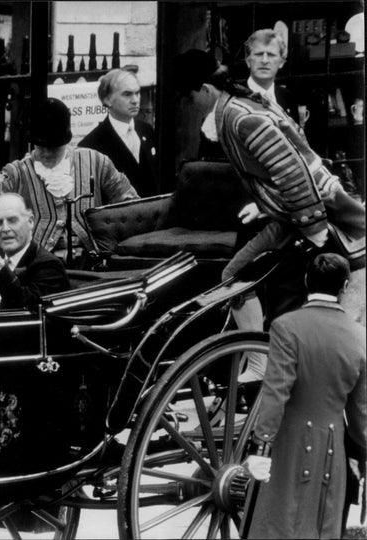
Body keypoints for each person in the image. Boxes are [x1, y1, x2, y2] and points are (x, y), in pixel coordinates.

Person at [174, 48, 366, 380]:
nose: (192, 107)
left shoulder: (239, 117)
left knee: (255, 283)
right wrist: (268, 205)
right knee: (236, 277)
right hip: (294, 214)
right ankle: (259, 361)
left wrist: (314, 228)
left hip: (322, 213)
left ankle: (264, 362)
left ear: (205, 90)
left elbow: (290, 170)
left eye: (191, 99)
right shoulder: (236, 109)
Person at [243, 253, 366, 539]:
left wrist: (261, 447)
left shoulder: (286, 326)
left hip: (289, 444)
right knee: (321, 526)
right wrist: (362, 457)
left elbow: (276, 392)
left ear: (306, 280)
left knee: (279, 526)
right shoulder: (360, 336)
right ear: (345, 286)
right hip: (332, 450)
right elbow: (361, 414)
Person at [0, 98, 139, 272]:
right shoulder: (16, 173)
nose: (48, 153)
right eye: (42, 147)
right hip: (38, 272)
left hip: (93, 269)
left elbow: (132, 208)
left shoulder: (97, 162)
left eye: (54, 147)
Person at [199, 29, 303, 160]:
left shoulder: (287, 97)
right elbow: (212, 156)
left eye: (271, 55)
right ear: (248, 60)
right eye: (259, 54)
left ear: (281, 62)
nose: (264, 60)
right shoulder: (228, 97)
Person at [0, 193, 69, 310]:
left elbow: (27, 310)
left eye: (12, 220)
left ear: (30, 222)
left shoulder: (49, 265)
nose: (5, 229)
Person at [77, 69, 158, 196]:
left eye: (138, 93)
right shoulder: (91, 145)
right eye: (127, 94)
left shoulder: (146, 130)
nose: (135, 100)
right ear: (107, 99)